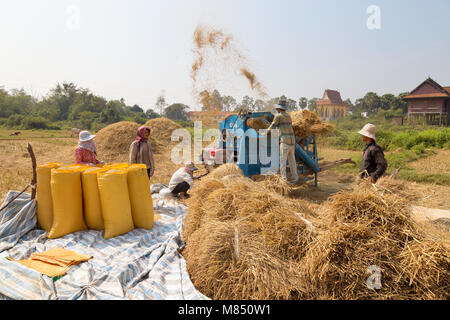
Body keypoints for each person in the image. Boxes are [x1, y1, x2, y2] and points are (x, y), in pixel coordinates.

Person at [267, 99, 299, 184]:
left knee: (282, 161)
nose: (276, 110)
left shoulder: (278, 116)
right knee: (292, 161)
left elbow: (272, 126)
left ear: (279, 109)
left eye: (277, 108)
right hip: (292, 142)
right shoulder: (288, 116)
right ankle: (295, 178)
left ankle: (284, 180)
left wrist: (265, 132)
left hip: (285, 142)